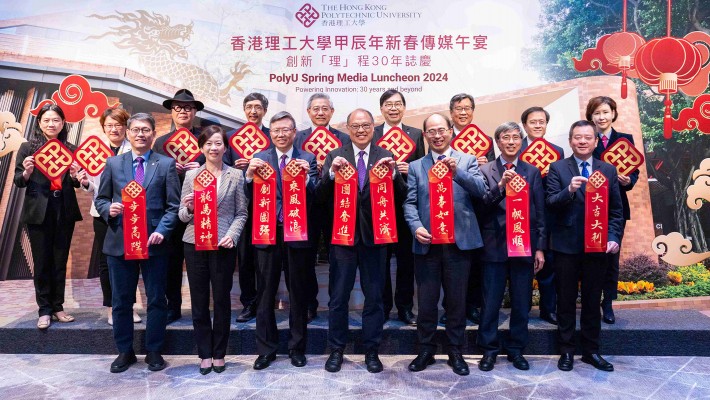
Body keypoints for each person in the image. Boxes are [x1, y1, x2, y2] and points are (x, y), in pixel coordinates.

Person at [317, 108, 406, 373]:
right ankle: (336, 350)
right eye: (355, 126)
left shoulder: (385, 155)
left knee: (375, 297)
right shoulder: (335, 156)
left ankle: (372, 351)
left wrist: (393, 176)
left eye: (365, 125)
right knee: (338, 297)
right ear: (347, 128)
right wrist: (331, 175)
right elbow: (320, 197)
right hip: (342, 239)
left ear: (373, 127)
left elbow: (401, 196)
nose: (360, 130)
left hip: (376, 238)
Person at [404, 113, 487, 376]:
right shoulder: (417, 166)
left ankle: (455, 350)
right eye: (431, 131)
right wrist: (416, 226)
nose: (437, 135)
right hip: (427, 244)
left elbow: (481, 191)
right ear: (425, 135)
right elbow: (409, 203)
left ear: (451, 131)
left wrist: (456, 172)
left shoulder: (467, 160)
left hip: (458, 244)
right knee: (427, 303)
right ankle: (426, 349)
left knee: (456, 302)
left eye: (442, 130)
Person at [96, 113, 180, 373]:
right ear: (128, 133)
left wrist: (163, 231)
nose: (140, 134)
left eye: (145, 130)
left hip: (154, 244)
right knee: (121, 300)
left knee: (156, 299)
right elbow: (100, 199)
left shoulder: (165, 164)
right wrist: (108, 209)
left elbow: (173, 206)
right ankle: (124, 351)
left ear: (153, 134)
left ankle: (154, 351)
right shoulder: (112, 163)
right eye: (135, 129)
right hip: (120, 243)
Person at [546, 120, 623, 372]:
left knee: (592, 300)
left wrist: (613, 237)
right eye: (577, 137)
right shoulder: (557, 168)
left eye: (587, 137)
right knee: (566, 301)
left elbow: (615, 211)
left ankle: (591, 351)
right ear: (570, 141)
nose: (582, 141)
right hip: (566, 246)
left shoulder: (608, 170)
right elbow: (550, 203)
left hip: (598, 247)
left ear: (594, 140)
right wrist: (568, 190)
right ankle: (566, 351)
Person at [246, 112, 319, 370]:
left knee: (298, 292)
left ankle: (297, 348)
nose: (280, 134)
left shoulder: (307, 159)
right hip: (266, 232)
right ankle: (266, 349)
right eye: (276, 130)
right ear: (270, 133)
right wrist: (248, 176)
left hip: (297, 234)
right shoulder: (259, 159)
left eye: (286, 130)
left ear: (295, 132)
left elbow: (317, 196)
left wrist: (308, 178)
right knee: (265, 292)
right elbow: (247, 197)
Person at [476, 122, 546, 372]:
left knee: (521, 301)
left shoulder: (532, 171)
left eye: (516, 137)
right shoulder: (484, 170)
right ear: (497, 141)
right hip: (493, 246)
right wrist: (501, 187)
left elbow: (539, 212)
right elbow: (481, 206)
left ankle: (517, 349)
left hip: (523, 247)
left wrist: (539, 248)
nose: (511, 142)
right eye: (506, 137)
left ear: (521, 141)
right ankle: (489, 350)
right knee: (491, 301)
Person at [178, 125, 247, 375]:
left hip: (222, 246)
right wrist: (189, 208)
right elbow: (182, 215)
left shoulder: (236, 176)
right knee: (198, 301)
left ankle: (219, 353)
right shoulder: (191, 176)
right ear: (201, 148)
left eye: (218, 143)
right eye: (208, 143)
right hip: (194, 243)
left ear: (225, 147)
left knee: (221, 300)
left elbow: (241, 213)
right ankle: (204, 354)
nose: (213, 148)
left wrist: (232, 235)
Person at [14, 104, 82, 330]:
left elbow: (76, 183)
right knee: (42, 261)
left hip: (63, 209)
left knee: (59, 261)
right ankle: (44, 310)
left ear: (63, 124)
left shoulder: (71, 148)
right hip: (38, 211)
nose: (51, 124)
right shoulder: (27, 148)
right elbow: (18, 180)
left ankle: (58, 306)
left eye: (56, 120)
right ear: (39, 123)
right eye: (46, 120)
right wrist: (26, 172)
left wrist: (74, 175)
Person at [78, 107, 141, 325]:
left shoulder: (133, 150)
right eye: (109, 125)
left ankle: (129, 305)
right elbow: (94, 188)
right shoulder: (94, 151)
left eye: (118, 125)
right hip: (102, 213)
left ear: (126, 127)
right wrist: (85, 182)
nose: (114, 129)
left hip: (130, 212)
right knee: (106, 262)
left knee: (129, 259)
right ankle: (112, 307)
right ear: (103, 128)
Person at [294, 93, 349, 322]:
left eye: (324, 108)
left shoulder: (344, 139)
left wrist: (327, 167)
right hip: (306, 204)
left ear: (332, 112)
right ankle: (309, 303)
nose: (320, 112)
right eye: (315, 108)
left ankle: (337, 303)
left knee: (338, 257)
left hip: (336, 204)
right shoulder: (298, 138)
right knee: (307, 257)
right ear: (308, 112)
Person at [152, 88, 205, 324]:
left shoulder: (206, 139)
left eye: (188, 107)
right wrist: (167, 169)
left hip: (202, 209)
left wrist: (200, 166)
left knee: (200, 261)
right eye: (178, 108)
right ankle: (172, 306)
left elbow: (219, 165)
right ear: (172, 112)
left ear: (195, 111)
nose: (183, 111)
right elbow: (153, 177)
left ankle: (201, 309)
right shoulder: (161, 143)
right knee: (171, 260)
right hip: (171, 209)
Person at [373, 89, 425, 325]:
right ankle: (382, 306)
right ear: (382, 108)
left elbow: (424, 165)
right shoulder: (371, 134)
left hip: (407, 204)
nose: (393, 108)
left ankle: (404, 307)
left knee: (406, 260)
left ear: (404, 107)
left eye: (398, 104)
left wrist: (410, 168)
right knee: (380, 260)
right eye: (388, 104)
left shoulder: (415, 134)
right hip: (379, 205)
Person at [440, 93, 492, 326]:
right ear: (451, 113)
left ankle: (473, 306)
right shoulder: (442, 138)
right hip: (445, 207)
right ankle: (448, 308)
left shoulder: (487, 140)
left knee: (474, 262)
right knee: (445, 262)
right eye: (458, 108)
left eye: (467, 108)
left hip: (474, 209)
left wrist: (485, 165)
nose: (463, 112)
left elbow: (491, 176)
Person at [587, 96, 639, 325]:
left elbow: (634, 171)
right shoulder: (586, 138)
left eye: (606, 112)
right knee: (588, 257)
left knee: (611, 257)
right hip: (588, 206)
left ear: (613, 114)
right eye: (597, 113)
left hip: (615, 207)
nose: (602, 117)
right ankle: (589, 301)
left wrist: (628, 180)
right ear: (591, 116)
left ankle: (607, 304)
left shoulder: (625, 140)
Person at [519, 106, 565, 325]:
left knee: (548, 265)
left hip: (549, 216)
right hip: (521, 215)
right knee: (523, 265)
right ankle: (523, 309)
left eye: (541, 122)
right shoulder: (515, 149)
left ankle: (548, 309)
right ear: (524, 125)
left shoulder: (557, 151)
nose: (537, 125)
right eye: (532, 122)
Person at [230, 92, 271, 323]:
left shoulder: (273, 134)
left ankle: (266, 301)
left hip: (267, 202)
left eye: (258, 107)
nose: (253, 111)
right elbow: (223, 166)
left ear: (265, 110)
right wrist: (238, 169)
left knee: (266, 257)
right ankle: (249, 303)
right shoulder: (231, 137)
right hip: (240, 204)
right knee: (244, 257)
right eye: (249, 107)